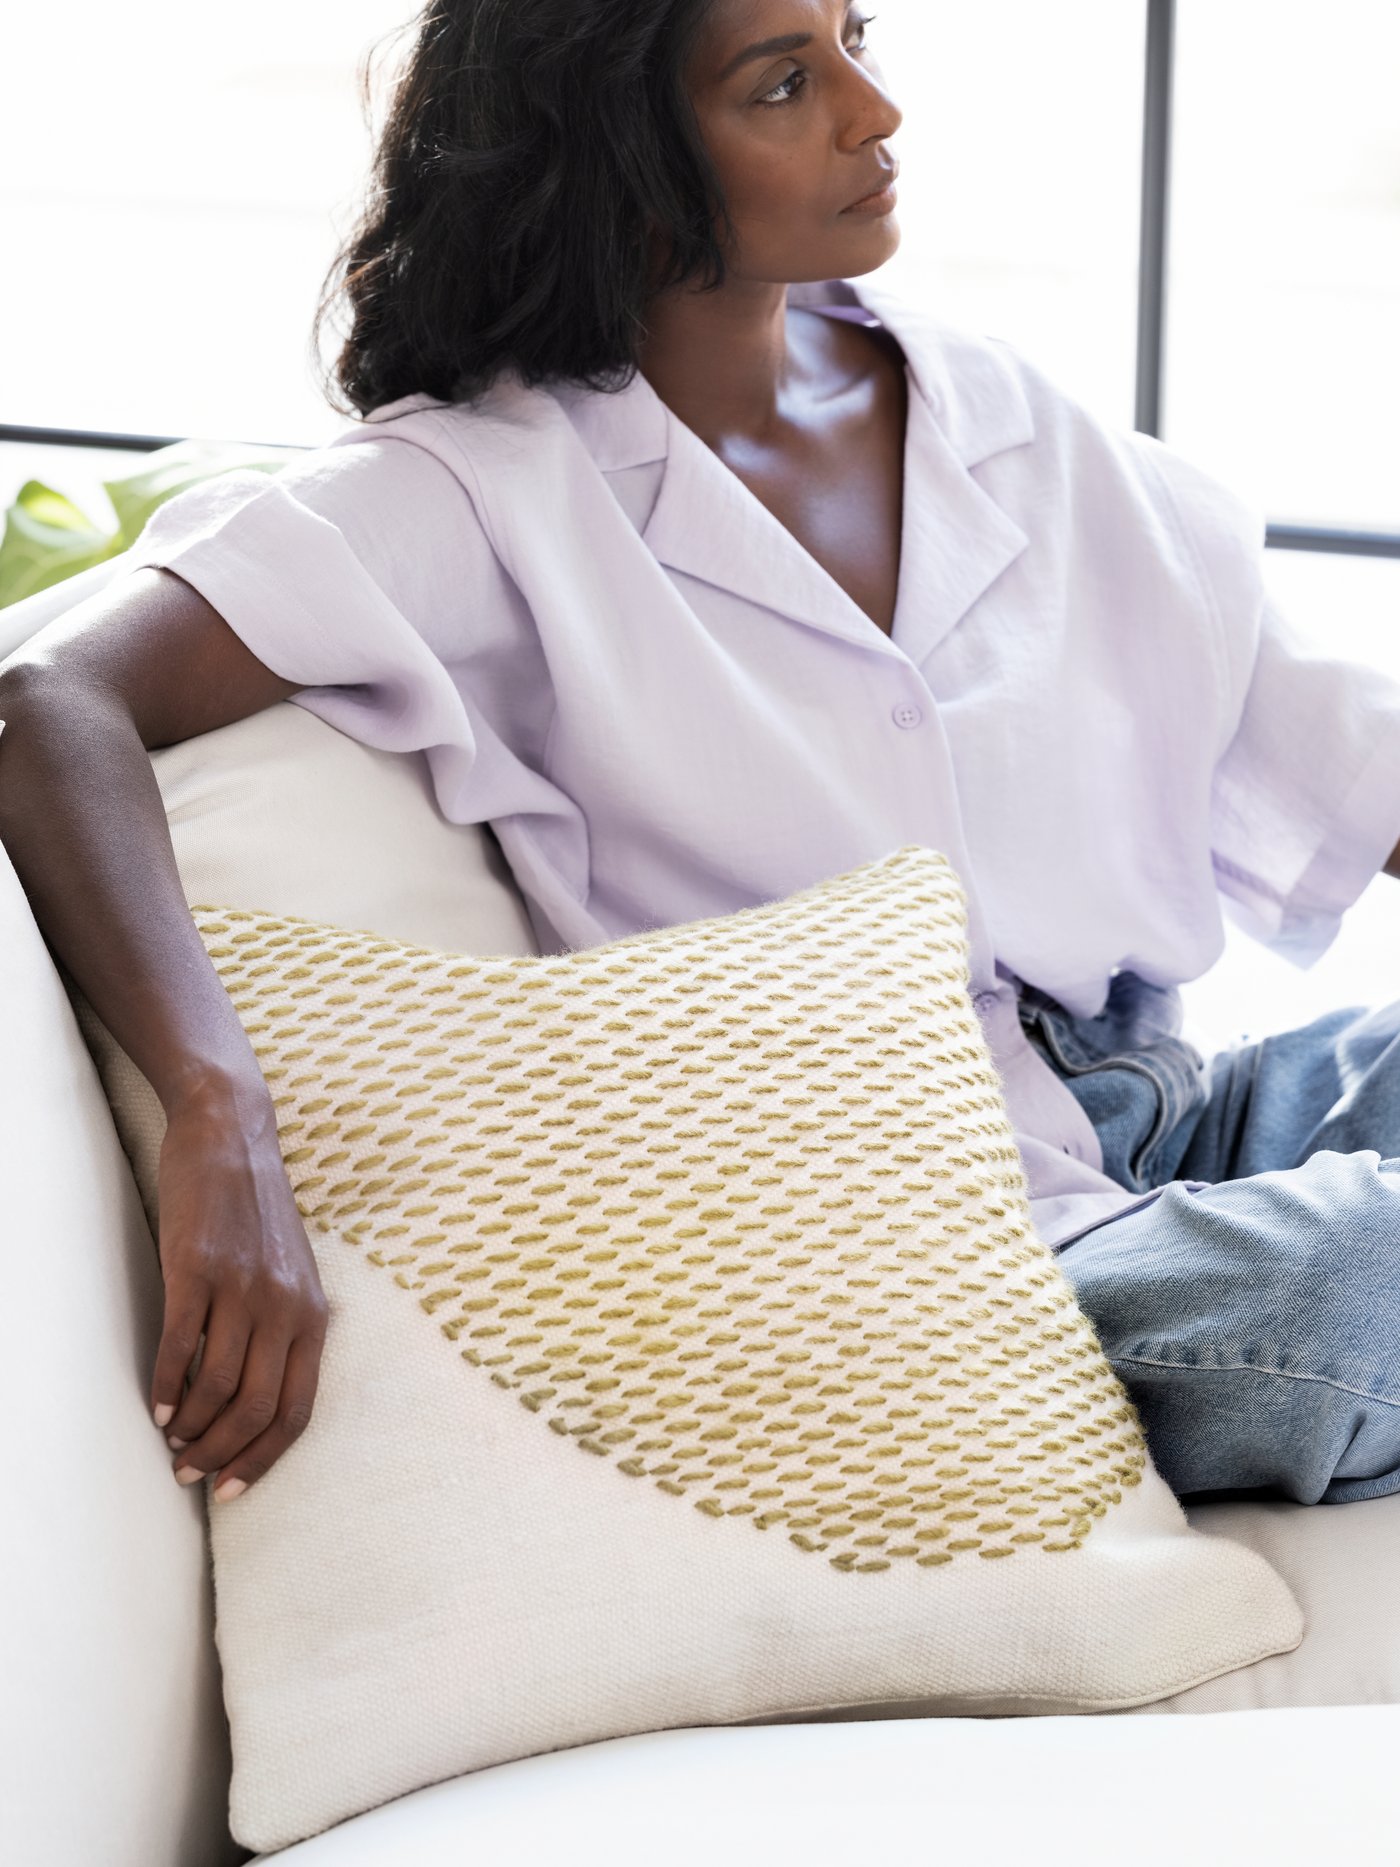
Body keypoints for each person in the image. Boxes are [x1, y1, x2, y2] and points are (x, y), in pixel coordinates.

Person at [4, 0, 1400, 1516]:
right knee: (1349, 1275)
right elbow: (50, 702)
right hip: (921, 1242)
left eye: (858, 36)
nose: (876, 111)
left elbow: (1349, 755)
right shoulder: (477, 492)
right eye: (787, 82)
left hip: (1170, 1114)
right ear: (624, 152)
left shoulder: (995, 411)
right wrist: (218, 1107)